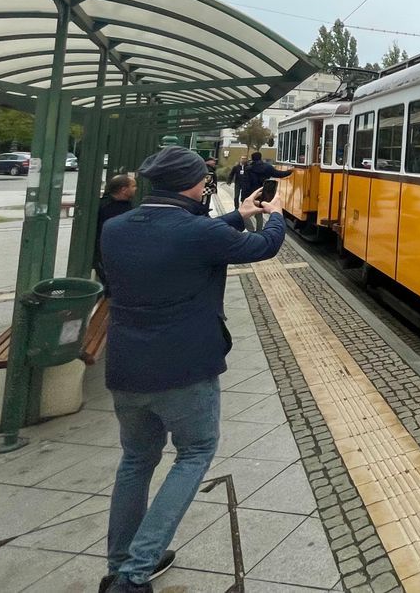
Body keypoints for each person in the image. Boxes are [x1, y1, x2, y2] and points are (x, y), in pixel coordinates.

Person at [98, 146, 284, 593]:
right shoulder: (196, 231)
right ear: (193, 185)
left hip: (126, 366)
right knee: (195, 454)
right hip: (183, 369)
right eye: (202, 178)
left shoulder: (116, 227)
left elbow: (184, 238)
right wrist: (274, 213)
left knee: (136, 460)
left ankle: (119, 563)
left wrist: (238, 213)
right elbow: (265, 246)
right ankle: (136, 573)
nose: (206, 184)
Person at [93, 174, 136, 295]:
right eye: (133, 186)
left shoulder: (121, 204)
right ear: (123, 189)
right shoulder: (107, 208)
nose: (135, 188)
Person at [238, 151, 293, 231]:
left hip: (250, 194)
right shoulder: (268, 167)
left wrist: (243, 197)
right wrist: (290, 171)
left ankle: (251, 230)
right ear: (260, 157)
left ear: (252, 158)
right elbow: (279, 174)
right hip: (261, 194)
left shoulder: (248, 169)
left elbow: (245, 183)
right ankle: (259, 232)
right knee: (259, 214)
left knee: (243, 214)